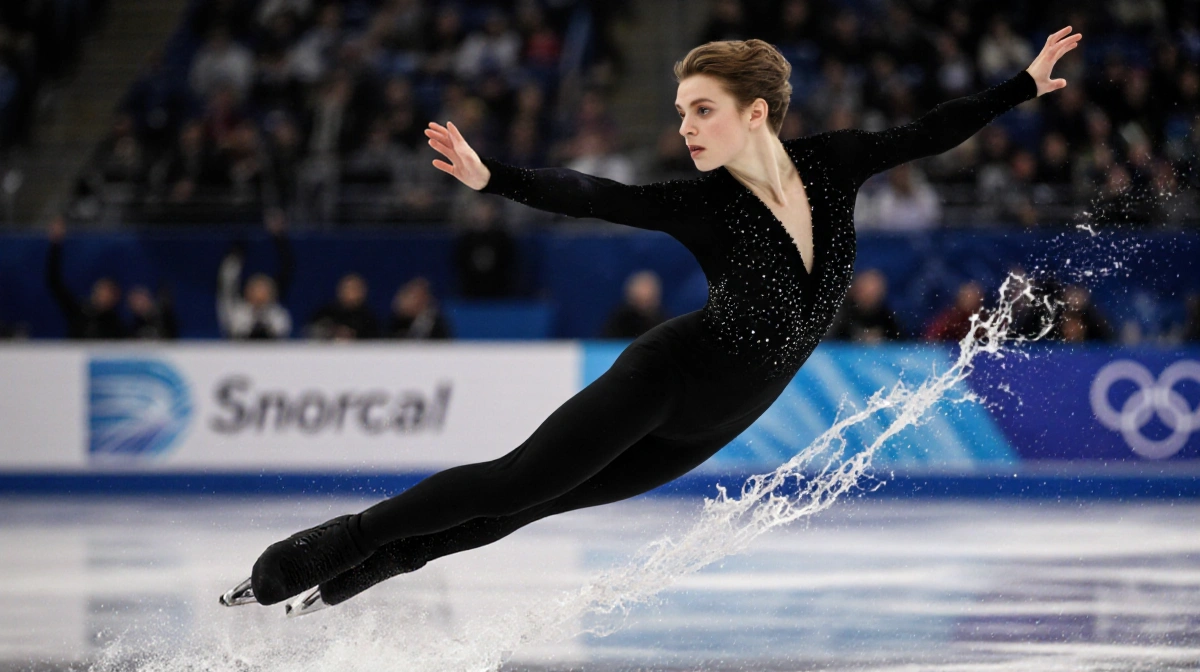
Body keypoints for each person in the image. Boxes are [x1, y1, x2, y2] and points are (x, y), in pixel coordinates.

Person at [226, 30, 1081, 613]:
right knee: (515, 482)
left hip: (709, 428)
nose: (686, 127)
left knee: (532, 509)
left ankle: (361, 577)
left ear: (755, 111)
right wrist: (497, 181)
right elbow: (601, 196)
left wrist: (1021, 85)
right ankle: (321, 553)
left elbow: (931, 131)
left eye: (700, 109)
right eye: (679, 112)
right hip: (663, 384)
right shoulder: (702, 205)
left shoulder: (834, 164)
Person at [44, 217, 127, 340]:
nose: (100, 294)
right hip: (73, 357)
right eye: (99, 289)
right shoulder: (79, 312)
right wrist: (55, 246)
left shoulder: (116, 325)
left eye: (106, 292)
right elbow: (54, 281)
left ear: (114, 298)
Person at [216, 211, 294, 339]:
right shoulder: (236, 313)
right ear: (247, 292)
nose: (259, 295)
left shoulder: (278, 315)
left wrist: (280, 239)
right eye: (255, 289)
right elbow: (227, 281)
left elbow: (287, 270)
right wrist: (237, 250)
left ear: (272, 294)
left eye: (263, 290)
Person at [829, 268, 902, 343]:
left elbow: (900, 343)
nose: (868, 297)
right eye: (865, 293)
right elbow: (829, 340)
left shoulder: (887, 317)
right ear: (856, 291)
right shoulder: (842, 315)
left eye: (873, 294)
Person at [306, 273, 380, 340]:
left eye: (355, 289)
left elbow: (375, 340)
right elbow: (309, 331)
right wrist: (332, 332)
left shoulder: (368, 318)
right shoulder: (327, 312)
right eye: (348, 288)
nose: (351, 293)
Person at [601, 270, 666, 338]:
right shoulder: (618, 322)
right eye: (640, 300)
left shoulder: (663, 322)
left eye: (647, 301)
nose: (644, 305)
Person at [387, 277, 452, 339]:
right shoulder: (398, 322)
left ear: (425, 299)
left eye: (414, 297)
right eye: (407, 295)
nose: (406, 301)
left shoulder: (436, 324)